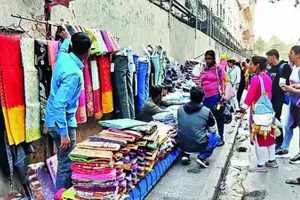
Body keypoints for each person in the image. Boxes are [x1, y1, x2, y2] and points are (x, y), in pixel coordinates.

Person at [45, 28, 91, 191]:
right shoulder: (74, 74)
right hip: (61, 123)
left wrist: (66, 39)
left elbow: (64, 48)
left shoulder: (63, 57)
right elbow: (60, 105)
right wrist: (64, 134)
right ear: (88, 51)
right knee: (66, 164)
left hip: (53, 119)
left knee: (65, 161)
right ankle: (60, 195)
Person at [237, 56, 278, 172]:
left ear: (257, 65)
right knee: (269, 134)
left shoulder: (255, 79)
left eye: (251, 64)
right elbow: (269, 95)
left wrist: (241, 110)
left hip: (257, 112)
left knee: (257, 136)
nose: (249, 66)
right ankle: (272, 160)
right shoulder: (268, 78)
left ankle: (260, 165)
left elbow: (249, 97)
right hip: (268, 111)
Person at [177, 86, 220, 167]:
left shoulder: (180, 109)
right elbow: (213, 130)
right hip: (199, 146)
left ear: (190, 97)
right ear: (203, 98)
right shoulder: (206, 111)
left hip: (181, 144)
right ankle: (202, 157)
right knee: (216, 137)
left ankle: (185, 155)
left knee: (185, 130)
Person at [266, 49, 292, 152]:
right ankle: (275, 139)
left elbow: (289, 82)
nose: (268, 59)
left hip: (279, 97)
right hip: (271, 98)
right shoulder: (271, 68)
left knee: (276, 118)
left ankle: (280, 142)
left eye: (268, 57)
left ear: (274, 56)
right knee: (272, 118)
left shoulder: (284, 67)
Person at [199, 50, 226, 146]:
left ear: (214, 58)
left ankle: (221, 138)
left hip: (215, 97)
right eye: (206, 58)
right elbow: (201, 81)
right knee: (206, 119)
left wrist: (223, 94)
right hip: (205, 98)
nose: (207, 60)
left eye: (209, 58)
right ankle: (209, 138)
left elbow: (223, 81)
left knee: (218, 118)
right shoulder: (204, 69)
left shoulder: (218, 68)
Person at [278, 45, 300, 164]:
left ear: (297, 55)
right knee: (288, 125)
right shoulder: (294, 68)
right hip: (293, 103)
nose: (289, 55)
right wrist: (289, 88)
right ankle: (285, 148)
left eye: (291, 53)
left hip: (298, 103)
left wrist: (292, 90)